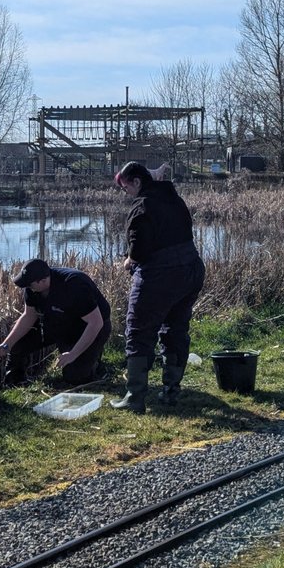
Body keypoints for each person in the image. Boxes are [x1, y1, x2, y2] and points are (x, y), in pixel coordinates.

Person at [112, 160, 206, 414]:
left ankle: (134, 397)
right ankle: (171, 393)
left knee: (139, 330)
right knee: (175, 329)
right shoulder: (175, 200)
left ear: (137, 182)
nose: (126, 193)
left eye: (126, 187)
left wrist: (130, 260)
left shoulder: (142, 206)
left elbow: (139, 250)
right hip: (191, 271)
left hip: (161, 275)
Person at [0, 259, 110, 386]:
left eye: (30, 285)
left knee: (75, 377)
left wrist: (72, 354)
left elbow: (96, 323)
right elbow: (29, 316)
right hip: (57, 322)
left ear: (43, 281)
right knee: (17, 342)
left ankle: (95, 363)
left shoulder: (74, 285)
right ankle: (15, 380)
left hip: (87, 327)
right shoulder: (33, 288)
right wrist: (6, 344)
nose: (28, 288)